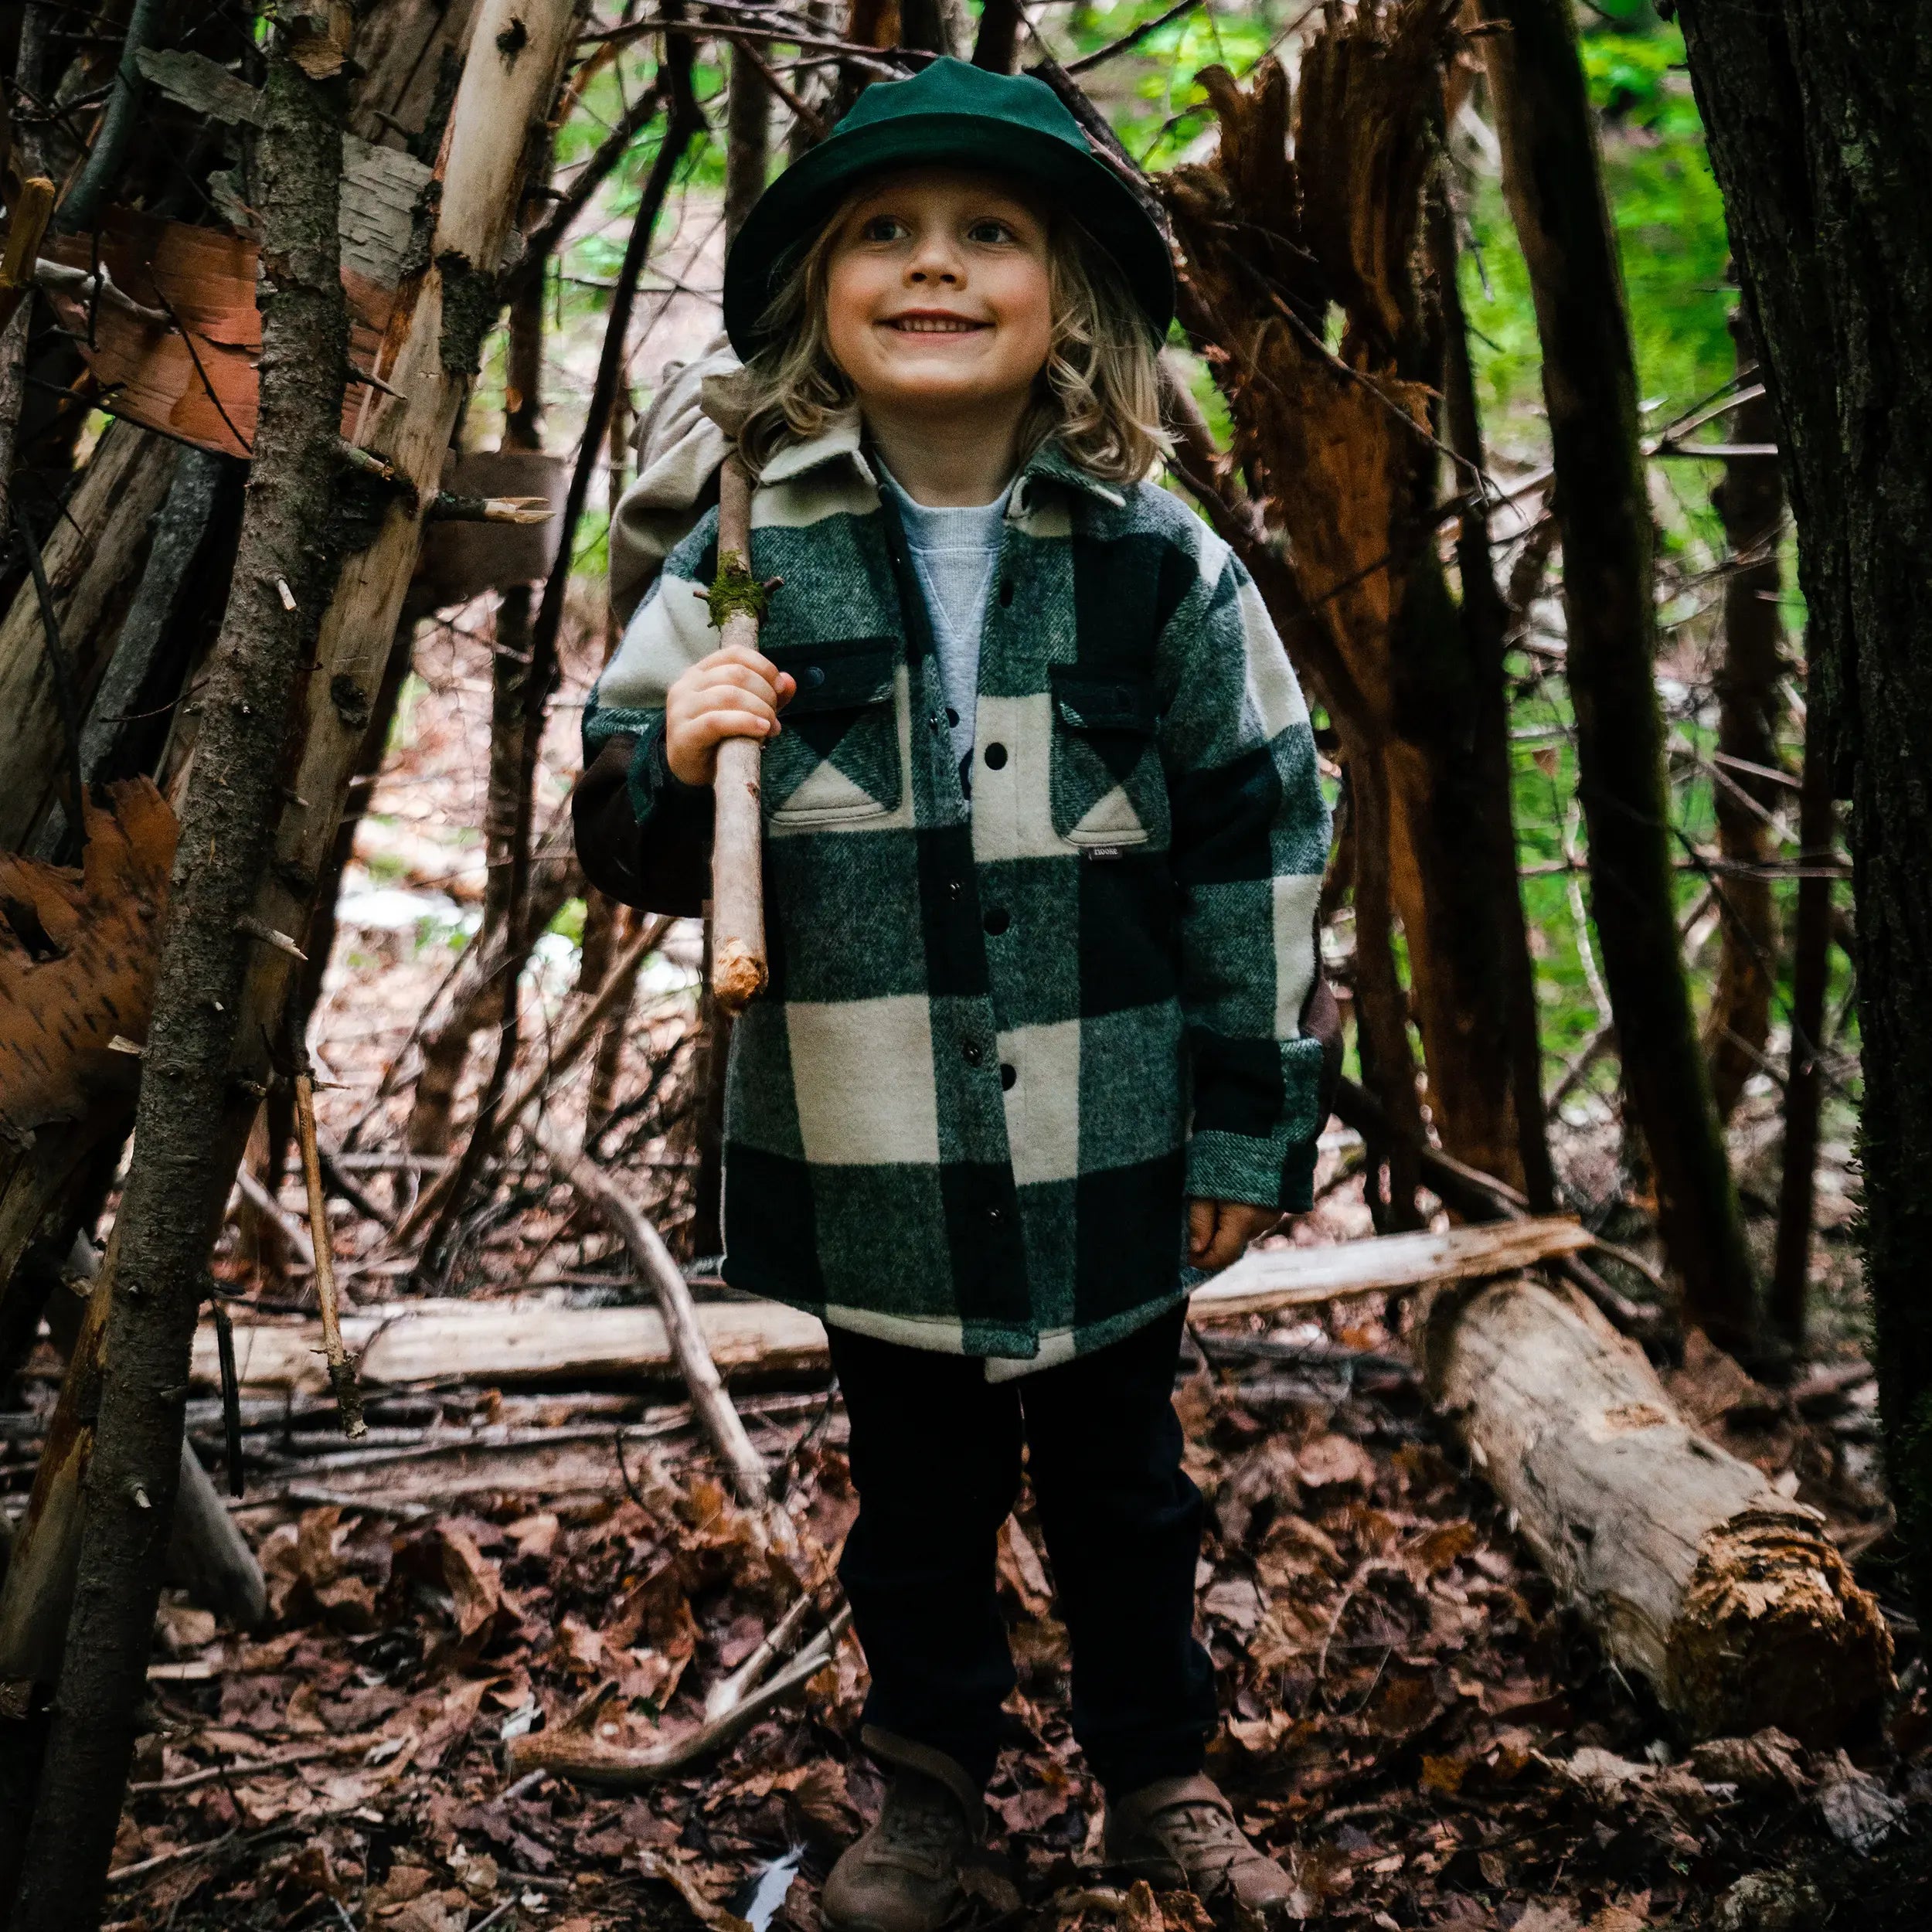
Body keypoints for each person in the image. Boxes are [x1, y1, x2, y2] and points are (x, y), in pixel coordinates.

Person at [577, 56, 1333, 1932]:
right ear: (814, 295)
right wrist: (666, 754)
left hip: (1106, 1150)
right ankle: (926, 1803)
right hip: (872, 1149)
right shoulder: (749, 551)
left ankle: (1157, 1781)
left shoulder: (1158, 565)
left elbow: (1260, 830)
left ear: (1067, 296)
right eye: (883, 235)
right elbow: (617, 820)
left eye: (986, 233)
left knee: (1126, 1496)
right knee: (913, 1508)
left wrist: (1248, 1108)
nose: (933, 268)